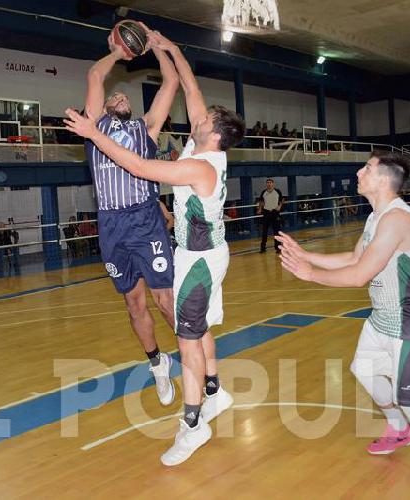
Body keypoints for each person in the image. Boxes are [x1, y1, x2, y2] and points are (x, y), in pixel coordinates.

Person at [64, 28, 246, 466]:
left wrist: (93, 134)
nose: (196, 118)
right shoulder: (203, 146)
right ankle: (214, 392)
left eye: (203, 121)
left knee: (185, 335)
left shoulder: (198, 165)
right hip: (190, 250)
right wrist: (166, 46)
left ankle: (193, 424)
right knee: (191, 328)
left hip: (195, 255)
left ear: (214, 135)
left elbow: (141, 165)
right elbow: (189, 87)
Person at [275, 151, 410, 499]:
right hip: (382, 317)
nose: (359, 171)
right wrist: (306, 256)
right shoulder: (375, 217)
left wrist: (310, 275)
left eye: (366, 167)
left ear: (384, 179)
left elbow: (359, 275)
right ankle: (399, 430)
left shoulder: (397, 220)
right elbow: (354, 258)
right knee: (363, 370)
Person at [81, 21, 181, 405]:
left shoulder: (147, 130)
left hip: (143, 218)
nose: (120, 96)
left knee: (164, 300)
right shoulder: (94, 130)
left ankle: (194, 358)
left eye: (125, 96)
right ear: (105, 107)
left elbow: (170, 84)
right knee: (134, 303)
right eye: (114, 97)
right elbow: (95, 74)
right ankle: (158, 364)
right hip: (111, 225)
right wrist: (119, 52)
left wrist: (155, 45)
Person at [257, 178, 284, 254]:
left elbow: (282, 200)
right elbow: (261, 201)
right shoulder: (264, 192)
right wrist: (259, 209)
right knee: (264, 231)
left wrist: (280, 206)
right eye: (267, 183)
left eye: (270, 182)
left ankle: (278, 248)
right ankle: (263, 248)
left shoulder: (277, 191)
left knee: (277, 232)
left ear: (273, 184)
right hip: (266, 213)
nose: (269, 184)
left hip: (275, 213)